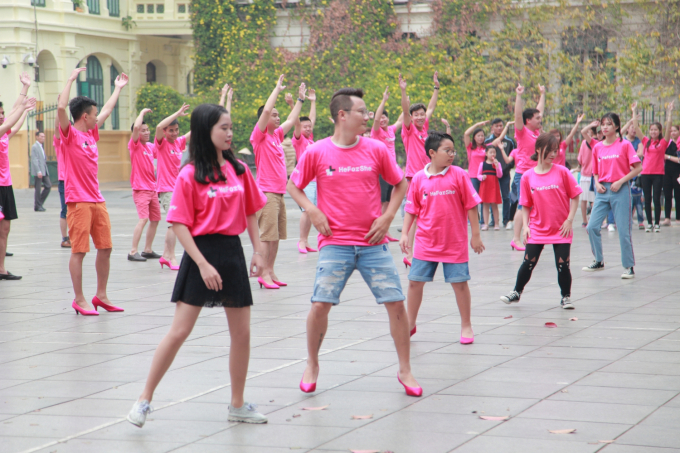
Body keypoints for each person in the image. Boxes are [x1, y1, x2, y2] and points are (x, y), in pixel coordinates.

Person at [128, 103, 269, 428]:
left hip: (231, 253)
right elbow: (178, 223)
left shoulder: (239, 170)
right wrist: (203, 264)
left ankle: (237, 404)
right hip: (200, 253)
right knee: (179, 331)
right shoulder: (189, 174)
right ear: (207, 132)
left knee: (242, 333)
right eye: (224, 128)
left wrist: (258, 252)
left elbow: (250, 212)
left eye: (231, 127)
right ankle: (144, 399)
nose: (230, 133)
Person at [288, 87, 422, 397]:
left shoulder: (376, 149)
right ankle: (312, 363)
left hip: (373, 244)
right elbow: (293, 186)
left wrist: (388, 217)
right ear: (342, 115)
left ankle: (405, 369)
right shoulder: (317, 151)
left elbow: (400, 185)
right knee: (320, 304)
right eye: (362, 111)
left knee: (396, 303)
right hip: (335, 243)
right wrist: (312, 209)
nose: (368, 115)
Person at [401, 131, 484, 342]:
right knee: (414, 283)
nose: (452, 155)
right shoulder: (419, 178)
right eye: (447, 151)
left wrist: (475, 235)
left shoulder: (458, 174)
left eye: (453, 151)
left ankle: (466, 326)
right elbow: (411, 210)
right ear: (432, 153)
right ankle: (410, 323)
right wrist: (404, 235)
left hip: (454, 242)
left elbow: (472, 205)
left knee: (460, 284)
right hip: (425, 242)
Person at [57, 66, 128, 313]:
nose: (98, 117)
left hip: (97, 199)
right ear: (84, 116)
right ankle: (79, 299)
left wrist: (117, 89)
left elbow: (107, 110)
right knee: (79, 251)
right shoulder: (70, 135)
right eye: (94, 114)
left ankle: (101, 296)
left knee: (105, 247)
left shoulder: (91, 134)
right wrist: (70, 79)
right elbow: (60, 109)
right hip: (78, 201)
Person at [500, 133, 582, 309]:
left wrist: (569, 220)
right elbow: (525, 205)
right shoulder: (527, 176)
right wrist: (526, 227)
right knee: (528, 262)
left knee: (563, 265)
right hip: (537, 227)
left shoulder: (563, 172)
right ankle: (516, 292)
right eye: (549, 150)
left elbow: (575, 196)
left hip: (561, 228)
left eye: (555, 150)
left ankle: (566, 297)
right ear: (538, 149)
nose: (553, 154)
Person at [252, 75, 305, 289]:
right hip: (266, 193)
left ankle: (271, 271)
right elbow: (266, 111)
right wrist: (276, 89)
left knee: (275, 237)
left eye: (277, 114)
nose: (276, 117)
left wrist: (299, 101)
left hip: (279, 192)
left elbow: (292, 120)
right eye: (274, 115)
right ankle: (263, 273)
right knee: (267, 236)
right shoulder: (260, 136)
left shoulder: (277, 136)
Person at [583, 111, 642, 279]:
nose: (605, 127)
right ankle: (599, 260)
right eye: (603, 124)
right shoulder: (598, 147)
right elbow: (595, 170)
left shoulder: (624, 145)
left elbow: (638, 168)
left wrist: (620, 181)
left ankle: (629, 266)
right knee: (592, 226)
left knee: (623, 230)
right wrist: (597, 182)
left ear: (616, 126)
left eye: (609, 124)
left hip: (620, 190)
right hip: (602, 191)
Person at [399, 71, 439, 267]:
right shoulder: (409, 130)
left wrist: (436, 88)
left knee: (425, 215)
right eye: (417, 115)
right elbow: (405, 112)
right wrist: (403, 91)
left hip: (427, 176)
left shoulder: (424, 128)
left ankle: (419, 251)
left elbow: (431, 106)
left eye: (422, 114)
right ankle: (411, 253)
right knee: (414, 215)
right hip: (414, 178)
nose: (421, 117)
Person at [0, 72, 37, 280]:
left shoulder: (4, 134)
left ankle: (2, 268)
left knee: (5, 229)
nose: (2, 115)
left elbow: (15, 117)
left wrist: (25, 90)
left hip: (6, 185)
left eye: (2, 112)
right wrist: (22, 108)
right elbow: (11, 118)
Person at [509, 83, 545, 252]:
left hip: (535, 173)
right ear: (528, 121)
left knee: (532, 206)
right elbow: (518, 115)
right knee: (523, 206)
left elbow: (540, 111)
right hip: (523, 174)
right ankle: (515, 239)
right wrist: (519, 96)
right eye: (537, 119)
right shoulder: (522, 132)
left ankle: (528, 234)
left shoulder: (536, 133)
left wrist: (543, 94)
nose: (540, 120)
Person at [155, 104, 191, 270]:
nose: (174, 133)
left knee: (176, 223)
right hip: (166, 189)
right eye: (171, 130)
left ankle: (165, 255)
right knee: (174, 224)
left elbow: (197, 131)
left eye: (176, 129)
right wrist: (177, 112)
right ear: (165, 132)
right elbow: (158, 126)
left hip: (177, 189)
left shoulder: (179, 143)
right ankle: (171, 257)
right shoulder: (161, 143)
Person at [631, 101, 674, 232]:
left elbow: (668, 128)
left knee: (656, 198)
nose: (653, 131)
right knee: (647, 198)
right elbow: (636, 128)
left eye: (655, 129)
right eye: (651, 130)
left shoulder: (663, 142)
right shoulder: (645, 141)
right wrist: (634, 111)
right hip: (645, 174)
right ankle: (649, 223)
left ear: (659, 131)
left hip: (658, 174)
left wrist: (670, 112)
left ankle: (657, 223)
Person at [288, 89, 320, 254]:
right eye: (304, 126)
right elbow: (296, 122)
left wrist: (313, 101)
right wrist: (294, 104)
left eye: (309, 126)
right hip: (306, 181)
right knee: (306, 211)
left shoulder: (311, 139)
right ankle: (301, 241)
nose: (308, 128)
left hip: (316, 181)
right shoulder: (299, 140)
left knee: (310, 211)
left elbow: (311, 119)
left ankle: (306, 241)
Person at [128, 108, 161, 262]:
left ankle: (147, 250)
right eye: (143, 130)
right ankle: (133, 251)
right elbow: (135, 127)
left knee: (155, 219)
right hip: (141, 189)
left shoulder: (150, 147)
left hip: (153, 189)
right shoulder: (134, 146)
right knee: (143, 219)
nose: (147, 132)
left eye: (148, 130)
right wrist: (141, 113)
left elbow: (161, 144)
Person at [372, 86, 403, 228]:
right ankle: (376, 225)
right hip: (380, 169)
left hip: (392, 168)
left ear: (388, 119)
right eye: (381, 117)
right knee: (381, 201)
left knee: (389, 201)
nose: (382, 119)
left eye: (385, 117)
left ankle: (384, 227)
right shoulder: (376, 131)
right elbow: (377, 119)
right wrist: (384, 100)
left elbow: (403, 118)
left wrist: (403, 94)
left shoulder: (391, 129)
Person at [485, 118, 516, 229]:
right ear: (492, 127)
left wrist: (506, 167)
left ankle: (506, 219)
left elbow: (514, 156)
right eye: (496, 126)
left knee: (506, 196)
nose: (499, 128)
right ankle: (494, 220)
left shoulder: (510, 141)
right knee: (492, 197)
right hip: (491, 174)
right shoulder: (488, 141)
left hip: (505, 173)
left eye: (501, 126)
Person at [463, 120, 489, 225]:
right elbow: (466, 133)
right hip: (473, 176)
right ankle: (472, 219)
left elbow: (497, 141)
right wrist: (477, 124)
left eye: (482, 136)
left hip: (484, 176)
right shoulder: (470, 147)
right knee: (473, 198)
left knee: (483, 199)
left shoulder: (486, 148)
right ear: (474, 137)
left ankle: (483, 220)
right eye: (478, 135)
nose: (480, 138)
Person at [577, 121, 600, 227]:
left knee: (584, 199)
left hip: (585, 173)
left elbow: (580, 159)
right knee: (594, 199)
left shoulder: (584, 143)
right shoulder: (599, 143)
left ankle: (584, 220)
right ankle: (593, 219)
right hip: (594, 173)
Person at [53, 114, 71, 248]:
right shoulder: (59, 142)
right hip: (64, 181)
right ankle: (65, 238)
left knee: (76, 210)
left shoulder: (74, 141)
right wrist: (60, 110)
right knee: (65, 210)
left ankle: (74, 236)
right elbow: (55, 127)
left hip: (76, 181)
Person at [477, 145, 503, 230]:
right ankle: (485, 224)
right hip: (485, 186)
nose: (493, 154)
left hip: (494, 186)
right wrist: (481, 177)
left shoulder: (497, 163)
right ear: (486, 153)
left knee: (494, 205)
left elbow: (499, 175)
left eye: (494, 152)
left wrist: (497, 166)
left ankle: (496, 224)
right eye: (490, 152)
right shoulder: (482, 164)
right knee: (485, 206)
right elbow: (478, 175)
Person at [662, 124, 680, 225]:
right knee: (667, 195)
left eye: (675, 131)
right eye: (671, 131)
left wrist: (667, 157)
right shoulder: (667, 143)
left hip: (677, 172)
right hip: (667, 171)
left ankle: (678, 217)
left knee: (678, 195)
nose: (673, 133)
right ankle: (667, 218)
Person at [31, 131, 51, 212]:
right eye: (41, 136)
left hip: (44, 170)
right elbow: (35, 159)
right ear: (37, 137)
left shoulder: (41, 146)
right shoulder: (35, 146)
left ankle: (39, 203)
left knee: (48, 185)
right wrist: (38, 171)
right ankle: (37, 205)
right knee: (38, 189)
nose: (43, 138)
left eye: (44, 136)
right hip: (38, 171)